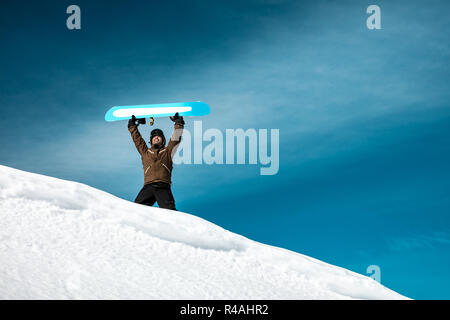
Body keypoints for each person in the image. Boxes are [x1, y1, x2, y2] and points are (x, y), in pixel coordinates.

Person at [128, 113, 184, 210]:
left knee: (171, 212)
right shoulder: (146, 152)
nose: (156, 138)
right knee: (136, 209)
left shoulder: (167, 152)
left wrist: (178, 123)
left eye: (159, 137)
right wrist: (132, 126)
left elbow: (175, 139)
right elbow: (138, 140)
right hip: (148, 187)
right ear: (151, 140)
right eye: (154, 137)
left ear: (163, 140)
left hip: (163, 186)